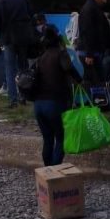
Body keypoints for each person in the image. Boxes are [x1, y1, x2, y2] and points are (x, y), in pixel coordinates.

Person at [34, 27, 81, 166]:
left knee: (48, 139)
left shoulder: (41, 58)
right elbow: (69, 68)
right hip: (54, 103)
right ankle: (54, 173)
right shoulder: (60, 54)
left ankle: (46, 171)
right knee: (60, 137)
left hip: (38, 105)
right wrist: (79, 79)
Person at [0, 0, 34, 108]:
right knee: (23, 67)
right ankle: (24, 96)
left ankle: (12, 100)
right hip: (24, 37)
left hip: (9, 39)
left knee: (10, 69)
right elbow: (31, 13)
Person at [76, 0, 110, 94]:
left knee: (97, 81)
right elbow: (87, 32)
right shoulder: (89, 8)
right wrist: (89, 54)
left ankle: (98, 104)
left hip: (94, 52)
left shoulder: (95, 8)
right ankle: (93, 104)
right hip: (89, 54)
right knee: (92, 82)